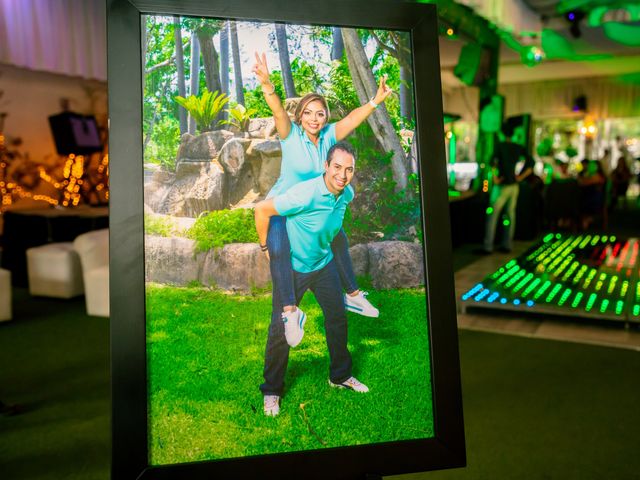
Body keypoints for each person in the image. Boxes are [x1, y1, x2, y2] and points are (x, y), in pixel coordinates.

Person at [252, 52, 391, 328]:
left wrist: (375, 100)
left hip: (312, 206)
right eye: (308, 113)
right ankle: (290, 313)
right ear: (300, 117)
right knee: (279, 256)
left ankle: (352, 294)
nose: (314, 119)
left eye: (319, 113)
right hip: (284, 207)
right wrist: (267, 84)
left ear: (325, 116)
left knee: (337, 235)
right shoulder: (290, 135)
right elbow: (278, 110)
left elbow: (352, 120)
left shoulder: (328, 137)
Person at [254, 143, 368, 416]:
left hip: (323, 264)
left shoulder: (346, 193)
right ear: (326, 166)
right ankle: (272, 390)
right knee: (280, 329)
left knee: (337, 318)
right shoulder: (304, 194)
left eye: (349, 169)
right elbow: (261, 210)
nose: (343, 174)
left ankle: (340, 375)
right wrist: (266, 248)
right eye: (337, 167)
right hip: (294, 268)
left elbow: (333, 228)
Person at [481, 125, 534, 253]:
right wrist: (520, 177)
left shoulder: (500, 146)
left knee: (492, 215)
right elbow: (531, 163)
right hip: (514, 186)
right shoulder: (518, 147)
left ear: (501, 133)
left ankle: (488, 246)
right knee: (510, 216)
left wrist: (495, 178)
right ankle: (507, 244)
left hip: (502, 184)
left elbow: (492, 163)